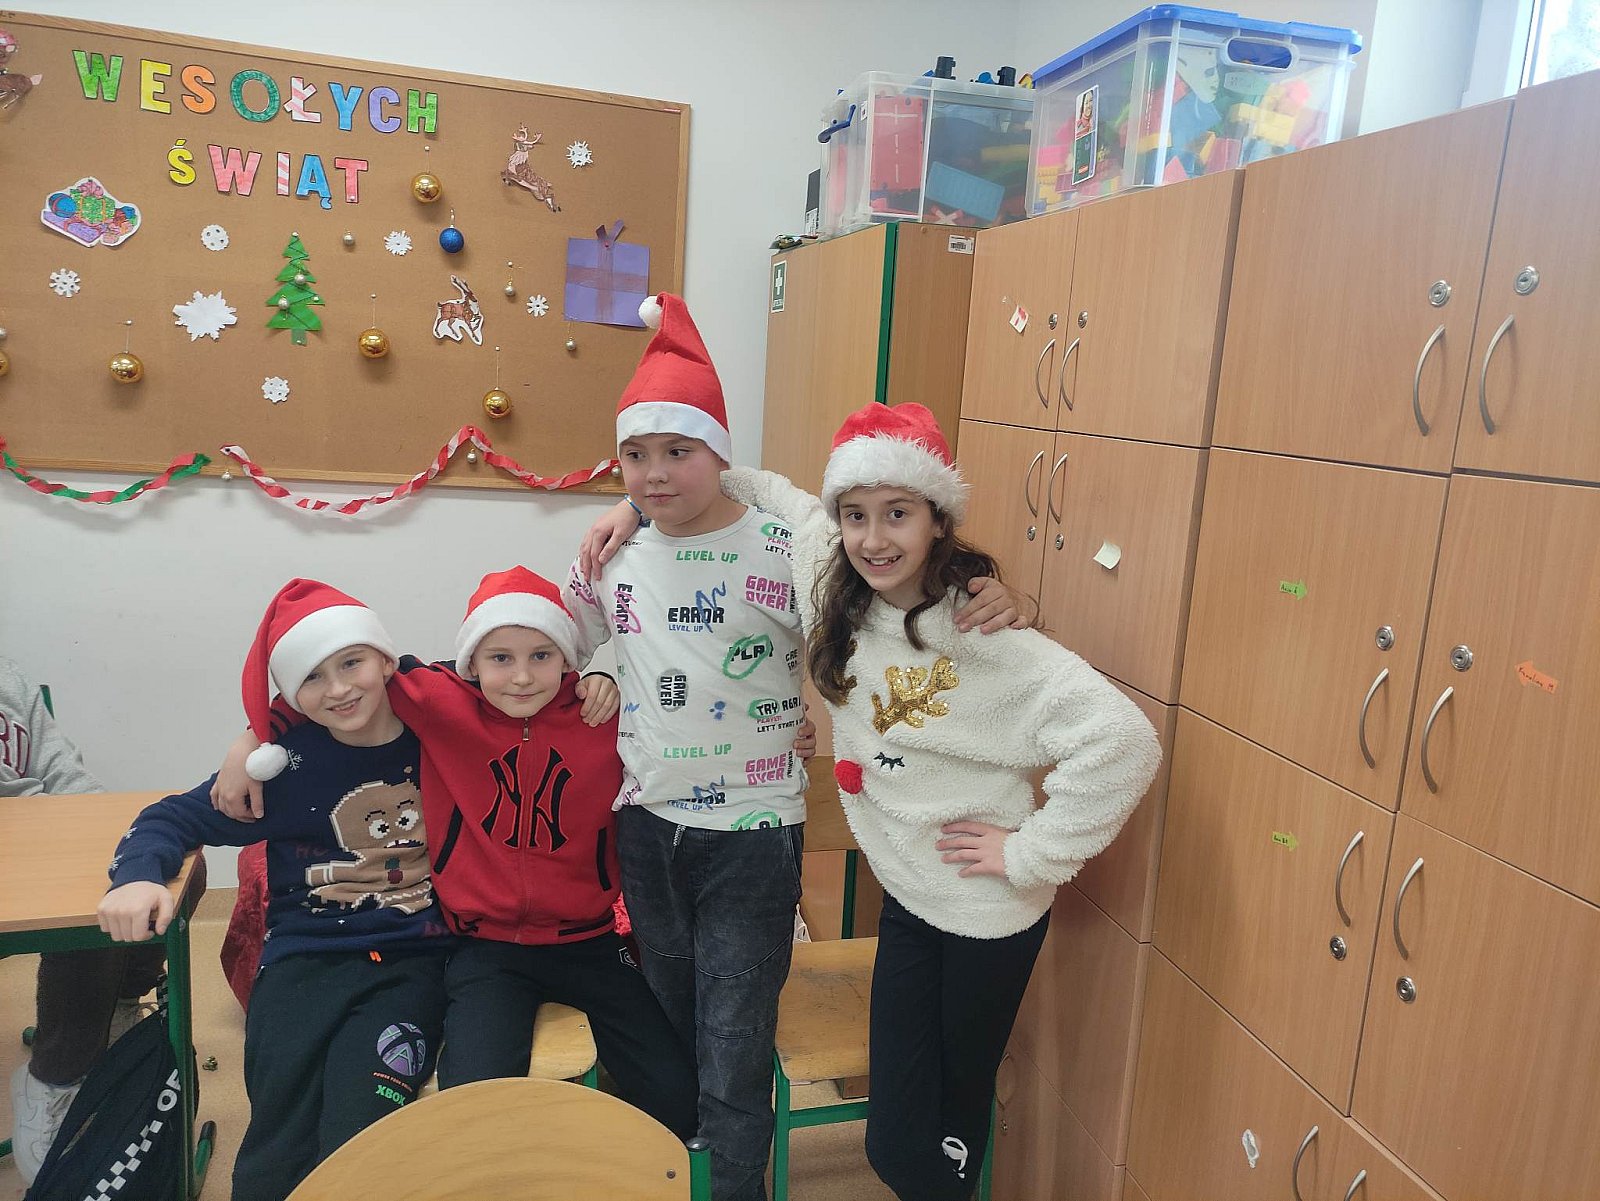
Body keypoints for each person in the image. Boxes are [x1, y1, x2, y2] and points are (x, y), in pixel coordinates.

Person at [585, 401, 1160, 1201]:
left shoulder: (982, 632)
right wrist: (636, 505)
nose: (874, 537)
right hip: (910, 900)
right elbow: (769, 491)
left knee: (941, 1137)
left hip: (985, 911)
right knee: (893, 1143)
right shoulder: (835, 578)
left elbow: (1126, 741)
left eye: (898, 513)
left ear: (938, 521)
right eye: (855, 515)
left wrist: (1030, 852)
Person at [570, 294, 1028, 1200]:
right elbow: (540, 647)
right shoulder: (609, 554)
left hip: (754, 831)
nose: (656, 474)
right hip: (648, 826)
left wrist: (984, 591)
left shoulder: (786, 547)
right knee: (665, 1025)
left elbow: (895, 594)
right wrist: (597, 672)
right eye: (636, 455)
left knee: (735, 1039)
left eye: (679, 451)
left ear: (719, 453)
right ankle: (666, 1176)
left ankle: (734, 1187)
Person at [213, 567, 705, 1140]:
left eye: (541, 655)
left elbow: (678, 705)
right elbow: (344, 681)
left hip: (588, 941)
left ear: (568, 658)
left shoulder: (601, 716)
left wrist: (607, 678)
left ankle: (670, 1169)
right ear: (471, 662)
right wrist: (253, 735)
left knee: (676, 1092)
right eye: (500, 658)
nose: (521, 676)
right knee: (470, 1100)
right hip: (485, 946)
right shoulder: (439, 701)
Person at [96, 579, 453, 1201]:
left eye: (351, 663)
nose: (338, 689)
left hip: (414, 961)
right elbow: (169, 818)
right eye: (312, 677)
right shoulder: (283, 766)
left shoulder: (444, 735)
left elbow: (493, 672)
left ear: (385, 659)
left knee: (361, 1133)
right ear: (290, 694)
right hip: (302, 961)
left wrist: (599, 681)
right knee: (276, 1143)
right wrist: (138, 877)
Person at [1, 654, 201, 1186]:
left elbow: (63, 770)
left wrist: (113, 836)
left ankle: (115, 1009)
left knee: (173, 871)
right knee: (94, 921)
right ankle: (53, 1080)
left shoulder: (8, 677)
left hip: (39, 832)